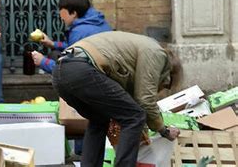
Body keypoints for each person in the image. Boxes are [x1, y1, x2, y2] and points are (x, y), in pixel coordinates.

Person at [52, 31, 182, 167]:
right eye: (165, 86)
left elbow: (128, 102)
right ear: (168, 75)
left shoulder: (134, 55)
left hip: (61, 73)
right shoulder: (156, 53)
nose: (160, 89)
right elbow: (145, 100)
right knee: (135, 116)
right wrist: (163, 130)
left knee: (99, 120)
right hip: (82, 69)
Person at [31, 0, 111, 73]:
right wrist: (52, 43)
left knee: (55, 56)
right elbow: (74, 47)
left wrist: (43, 61)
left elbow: (70, 70)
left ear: (73, 13)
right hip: (105, 72)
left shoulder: (79, 31)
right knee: (55, 53)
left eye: (63, 14)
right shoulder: (99, 22)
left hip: (93, 76)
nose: (61, 18)